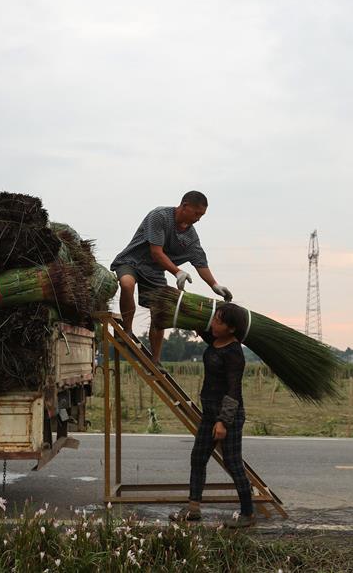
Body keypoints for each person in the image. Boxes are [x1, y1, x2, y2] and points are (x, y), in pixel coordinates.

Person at [111, 191, 231, 362]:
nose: (199, 218)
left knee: (160, 314)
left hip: (154, 272)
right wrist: (178, 271)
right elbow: (156, 252)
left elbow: (200, 263)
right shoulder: (159, 216)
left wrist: (214, 285)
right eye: (197, 213)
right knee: (127, 284)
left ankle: (156, 360)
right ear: (184, 206)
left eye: (202, 215)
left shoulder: (191, 236)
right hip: (132, 261)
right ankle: (127, 332)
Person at [168, 302, 254, 528]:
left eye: (219, 321)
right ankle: (193, 509)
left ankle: (248, 513)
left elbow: (233, 390)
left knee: (233, 463)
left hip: (228, 416)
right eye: (215, 318)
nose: (213, 323)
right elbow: (200, 323)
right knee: (198, 458)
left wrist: (223, 422)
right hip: (209, 414)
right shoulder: (215, 339)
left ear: (232, 328)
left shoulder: (234, 353)